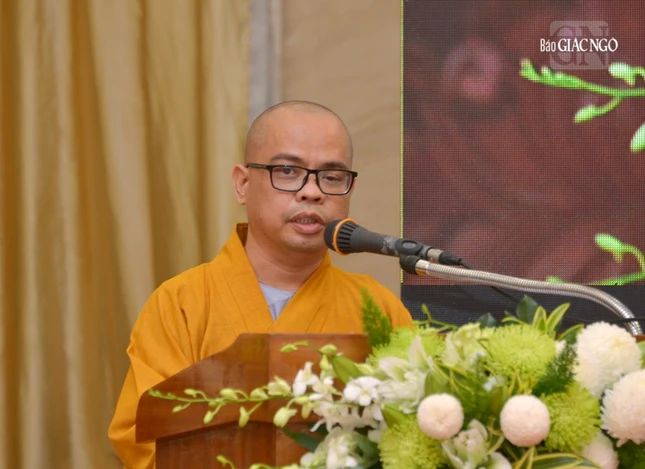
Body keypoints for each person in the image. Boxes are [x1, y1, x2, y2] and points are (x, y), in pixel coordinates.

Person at [108, 100, 413, 468]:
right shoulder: (181, 304)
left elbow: (412, 433)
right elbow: (142, 437)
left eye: (332, 177)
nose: (312, 192)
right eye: (288, 171)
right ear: (243, 184)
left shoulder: (377, 306)